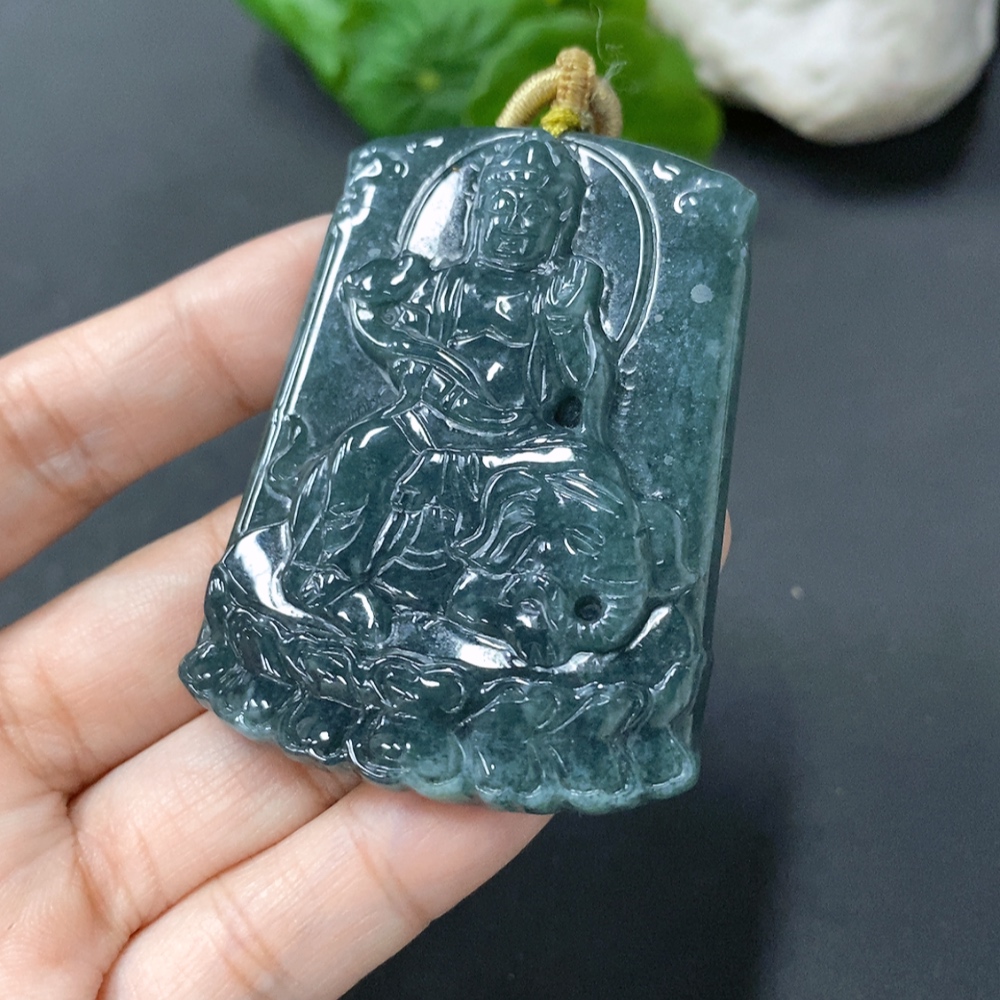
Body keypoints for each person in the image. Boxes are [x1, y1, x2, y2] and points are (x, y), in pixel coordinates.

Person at [0, 217, 729, 995]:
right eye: (504, 206)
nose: (515, 223)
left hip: (518, 446)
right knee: (362, 455)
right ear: (482, 216)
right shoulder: (444, 286)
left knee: (582, 492)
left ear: (553, 224)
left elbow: (586, 398)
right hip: (428, 427)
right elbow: (386, 340)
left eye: (534, 209)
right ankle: (330, 579)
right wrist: (392, 324)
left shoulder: (557, 295)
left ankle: (518, 614)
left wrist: (569, 335)